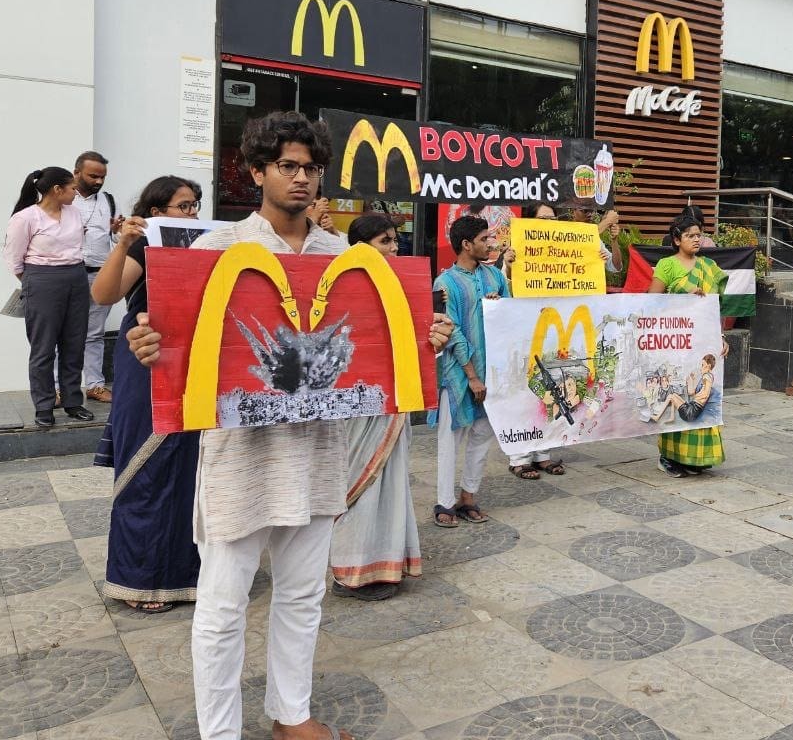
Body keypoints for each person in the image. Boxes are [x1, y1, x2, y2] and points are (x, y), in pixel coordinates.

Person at [125, 111, 452, 740]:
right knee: (222, 606)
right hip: (240, 456)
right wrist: (150, 345)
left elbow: (383, 349)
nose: (301, 179)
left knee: (303, 595)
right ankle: (218, 733)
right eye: (287, 167)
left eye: (311, 168)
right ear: (257, 172)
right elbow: (174, 342)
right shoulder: (218, 249)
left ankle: (291, 714)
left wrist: (426, 339)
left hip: (319, 452)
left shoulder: (350, 258)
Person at [91, 176, 204, 614]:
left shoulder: (208, 246)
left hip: (194, 357)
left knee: (191, 467)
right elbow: (104, 294)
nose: (192, 214)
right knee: (149, 463)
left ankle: (187, 574)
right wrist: (124, 243)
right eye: (183, 206)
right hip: (146, 354)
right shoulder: (144, 247)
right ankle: (141, 577)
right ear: (157, 213)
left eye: (195, 206)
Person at [329, 213, 422, 600]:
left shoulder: (402, 285)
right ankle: (350, 572)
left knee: (390, 481)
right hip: (354, 401)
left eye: (395, 240)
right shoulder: (338, 285)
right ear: (360, 246)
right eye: (385, 241)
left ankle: (385, 565)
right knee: (357, 483)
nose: (394, 247)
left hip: (392, 398)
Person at [432, 213, 509, 526]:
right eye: (483, 239)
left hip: (491, 370)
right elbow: (451, 331)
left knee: (482, 434)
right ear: (466, 244)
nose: (490, 244)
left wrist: (498, 305)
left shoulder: (495, 277)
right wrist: (472, 376)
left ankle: (468, 497)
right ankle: (444, 503)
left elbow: (511, 312)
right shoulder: (445, 282)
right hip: (457, 373)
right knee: (451, 437)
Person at [3, 167, 93, 428]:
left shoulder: (74, 213)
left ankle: (72, 401)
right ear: (57, 190)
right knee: (43, 348)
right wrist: (35, 283)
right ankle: (44, 405)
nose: (76, 192)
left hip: (76, 277)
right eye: (73, 188)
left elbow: (77, 245)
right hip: (42, 279)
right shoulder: (26, 218)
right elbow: (14, 260)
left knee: (74, 343)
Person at [648, 215, 729, 477]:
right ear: (676, 239)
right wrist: (681, 298)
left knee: (703, 398)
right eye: (690, 235)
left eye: (699, 234)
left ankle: (696, 458)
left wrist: (722, 337)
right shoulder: (667, 265)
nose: (697, 239)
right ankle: (668, 457)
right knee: (679, 397)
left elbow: (715, 309)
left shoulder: (709, 266)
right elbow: (650, 303)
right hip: (675, 345)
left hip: (703, 345)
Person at [503, 201, 569, 479]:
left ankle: (544, 453)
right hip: (522, 331)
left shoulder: (563, 250)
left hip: (552, 329)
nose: (549, 224)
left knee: (552, 388)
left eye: (553, 219)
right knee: (522, 391)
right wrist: (507, 265)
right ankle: (519, 456)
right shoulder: (513, 252)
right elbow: (502, 287)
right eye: (543, 219)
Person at [72, 152, 123, 404]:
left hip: (99, 275)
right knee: (64, 333)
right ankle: (60, 389)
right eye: (93, 176)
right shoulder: (65, 200)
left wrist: (117, 231)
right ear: (76, 173)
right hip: (69, 274)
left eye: (102, 177)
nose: (99, 181)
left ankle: (94, 385)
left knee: (95, 334)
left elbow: (116, 238)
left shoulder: (109, 201)